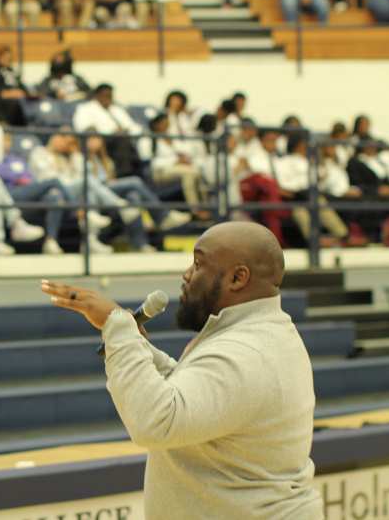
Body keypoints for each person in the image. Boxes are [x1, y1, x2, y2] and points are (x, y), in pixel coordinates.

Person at [40, 221, 323, 519]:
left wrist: (117, 325)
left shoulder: (246, 352)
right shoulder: (260, 334)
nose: (187, 275)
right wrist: (131, 344)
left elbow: (155, 422)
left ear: (238, 278)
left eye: (199, 263)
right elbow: (199, 399)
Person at [30, 131, 153, 253]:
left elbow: (77, 175)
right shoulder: (40, 151)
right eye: (64, 140)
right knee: (87, 181)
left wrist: (74, 154)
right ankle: (119, 205)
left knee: (90, 191)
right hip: (50, 191)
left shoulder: (67, 157)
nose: (66, 144)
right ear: (55, 137)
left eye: (70, 142)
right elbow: (48, 178)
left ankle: (91, 242)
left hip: (73, 192)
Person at [86, 133, 192, 231]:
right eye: (92, 139)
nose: (96, 142)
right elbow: (91, 182)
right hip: (98, 191)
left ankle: (140, 244)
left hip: (110, 188)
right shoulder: (84, 158)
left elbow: (111, 177)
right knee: (135, 181)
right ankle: (162, 216)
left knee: (133, 196)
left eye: (98, 138)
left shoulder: (105, 159)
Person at [0, 132, 75, 254]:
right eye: (3, 140)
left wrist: (21, 179)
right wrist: (17, 178)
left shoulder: (16, 158)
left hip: (27, 191)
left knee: (54, 197)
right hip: (8, 194)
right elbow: (0, 176)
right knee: (54, 181)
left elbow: (29, 176)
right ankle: (77, 209)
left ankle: (51, 241)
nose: (6, 144)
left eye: (8, 141)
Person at [277, 133, 349, 245]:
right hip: (294, 197)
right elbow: (284, 183)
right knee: (301, 213)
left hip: (312, 194)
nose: (306, 146)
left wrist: (319, 160)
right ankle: (315, 242)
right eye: (304, 143)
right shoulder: (284, 161)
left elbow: (322, 175)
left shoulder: (309, 161)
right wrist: (302, 183)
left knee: (321, 204)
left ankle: (342, 235)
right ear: (298, 145)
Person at [73, 83, 143, 177]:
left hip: (122, 139)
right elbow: (83, 127)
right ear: (97, 95)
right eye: (105, 95)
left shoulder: (117, 109)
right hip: (101, 140)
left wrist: (124, 130)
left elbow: (133, 127)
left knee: (128, 142)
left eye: (110, 96)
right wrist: (112, 132)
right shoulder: (86, 108)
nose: (107, 98)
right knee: (121, 141)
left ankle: (134, 174)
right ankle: (123, 175)